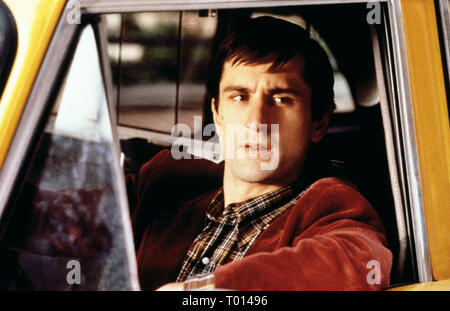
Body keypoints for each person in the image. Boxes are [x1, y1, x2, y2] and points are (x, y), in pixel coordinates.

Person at [126, 16, 392, 291]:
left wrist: (200, 291)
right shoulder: (166, 181)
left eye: (281, 99)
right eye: (240, 97)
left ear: (319, 122)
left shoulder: (330, 206)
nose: (256, 121)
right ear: (217, 113)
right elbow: (87, 218)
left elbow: (354, 263)